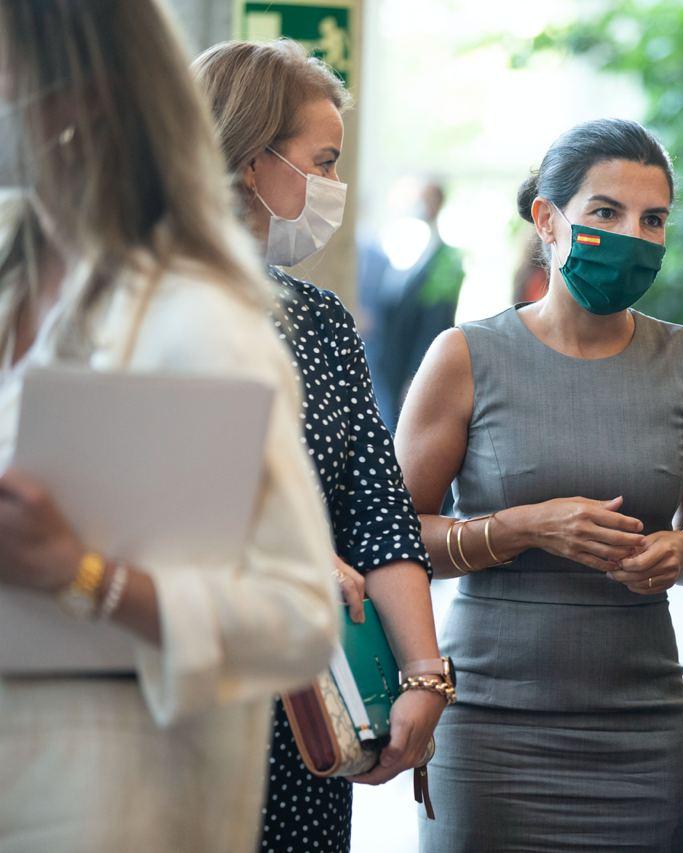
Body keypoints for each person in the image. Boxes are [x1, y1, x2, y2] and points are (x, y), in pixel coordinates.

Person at [0, 2, 339, 850]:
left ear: (78, 95)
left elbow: (299, 615)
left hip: (100, 801)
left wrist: (83, 573)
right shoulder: (15, 288)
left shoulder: (198, 320)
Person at [396, 118, 683, 852]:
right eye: (606, 212)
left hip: (643, 727)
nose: (632, 236)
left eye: (653, 219)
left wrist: (682, 551)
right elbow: (396, 538)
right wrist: (523, 527)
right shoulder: (465, 356)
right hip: (489, 721)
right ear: (547, 220)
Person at [192, 39, 448, 853]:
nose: (335, 187)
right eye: (324, 162)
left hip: (311, 704)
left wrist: (424, 675)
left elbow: (379, 509)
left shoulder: (322, 321)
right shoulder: (149, 306)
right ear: (250, 162)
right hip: (186, 687)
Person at [366, 179, 465, 431]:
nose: (420, 205)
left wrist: (417, 373)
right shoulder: (405, 244)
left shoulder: (447, 259)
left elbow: (437, 321)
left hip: (413, 364)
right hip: (388, 361)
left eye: (426, 198)